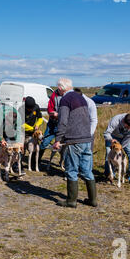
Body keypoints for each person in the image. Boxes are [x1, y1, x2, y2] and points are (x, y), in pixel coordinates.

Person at [52, 78, 97, 208]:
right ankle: (92, 200)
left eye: (57, 89)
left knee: (71, 169)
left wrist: (58, 139)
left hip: (74, 139)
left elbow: (63, 121)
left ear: (60, 89)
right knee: (87, 170)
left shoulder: (65, 100)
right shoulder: (81, 98)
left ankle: (71, 201)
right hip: (87, 138)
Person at [103, 113, 130, 186]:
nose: (128, 128)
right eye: (127, 127)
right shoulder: (115, 120)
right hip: (112, 137)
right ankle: (110, 175)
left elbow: (128, 139)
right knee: (109, 154)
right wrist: (111, 140)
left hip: (125, 139)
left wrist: (120, 147)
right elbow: (106, 133)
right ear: (123, 121)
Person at [38, 87, 64, 161]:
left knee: (63, 147)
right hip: (53, 123)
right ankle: (36, 161)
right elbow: (49, 108)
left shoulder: (68, 96)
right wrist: (52, 113)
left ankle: (65, 164)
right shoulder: (54, 95)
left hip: (62, 124)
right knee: (44, 142)